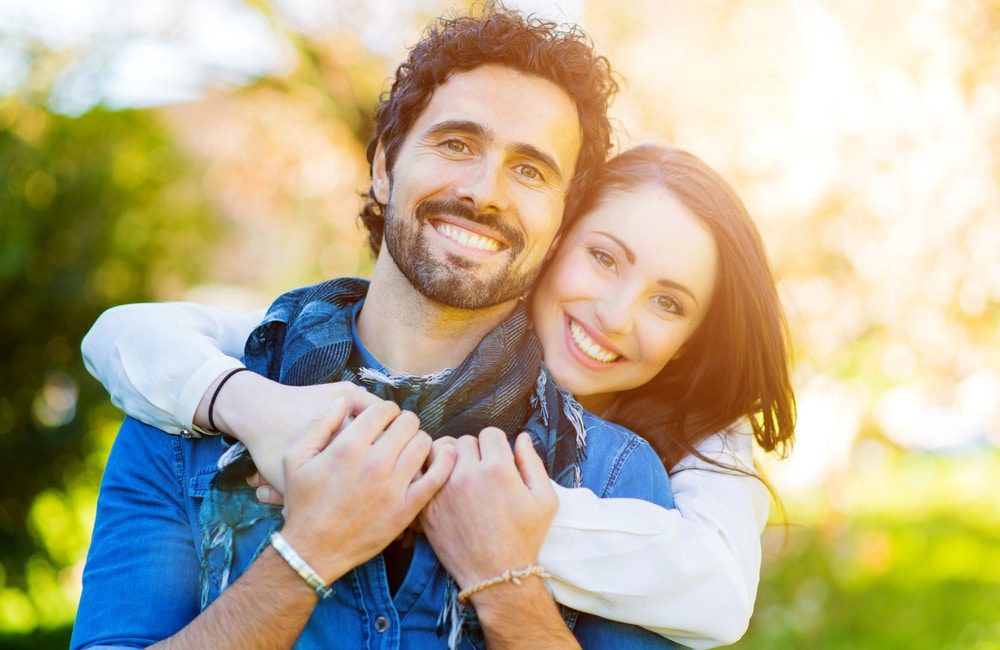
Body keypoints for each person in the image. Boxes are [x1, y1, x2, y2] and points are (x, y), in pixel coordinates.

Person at [72, 6, 680, 650]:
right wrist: (305, 555)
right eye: (457, 144)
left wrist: (507, 589)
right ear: (385, 167)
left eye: (530, 170)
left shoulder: (614, 477)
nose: (485, 191)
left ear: (560, 224)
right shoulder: (184, 424)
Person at [82, 135, 795, 650]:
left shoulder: (664, 460)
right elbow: (135, 336)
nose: (615, 315)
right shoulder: (293, 359)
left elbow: (717, 596)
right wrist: (257, 412)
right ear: (551, 239)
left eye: (668, 304)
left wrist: (490, 545)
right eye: (604, 258)